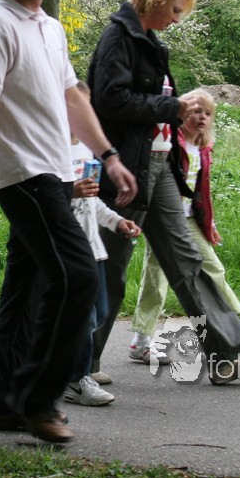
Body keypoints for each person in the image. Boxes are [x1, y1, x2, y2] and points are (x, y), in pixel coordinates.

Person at [0, 0, 137, 443]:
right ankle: (40, 400)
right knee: (77, 275)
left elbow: (73, 98)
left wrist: (108, 157)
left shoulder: (51, 29)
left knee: (25, 292)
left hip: (58, 173)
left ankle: (4, 406)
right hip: (23, 174)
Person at [86, 0, 240, 385]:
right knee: (109, 268)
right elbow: (109, 100)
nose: (176, 18)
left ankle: (225, 356)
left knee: (187, 260)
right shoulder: (118, 37)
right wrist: (171, 108)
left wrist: (171, 110)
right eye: (175, 9)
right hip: (126, 168)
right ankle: (80, 364)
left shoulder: (152, 43)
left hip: (160, 165)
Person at [129, 88, 240, 360]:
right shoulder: (172, 142)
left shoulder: (204, 148)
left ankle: (225, 331)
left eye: (207, 113)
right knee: (156, 278)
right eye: (196, 111)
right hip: (163, 220)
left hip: (189, 220)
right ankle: (141, 341)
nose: (202, 117)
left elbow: (201, 191)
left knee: (213, 269)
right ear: (182, 113)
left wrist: (209, 222)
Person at [64, 81, 142, 406]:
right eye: (74, 107)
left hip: (93, 248)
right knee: (81, 316)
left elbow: (92, 201)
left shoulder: (86, 150)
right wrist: (69, 190)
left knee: (99, 311)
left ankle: (65, 371)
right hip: (65, 248)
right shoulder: (51, 151)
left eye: (87, 108)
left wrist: (116, 221)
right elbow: (38, 195)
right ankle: (75, 379)